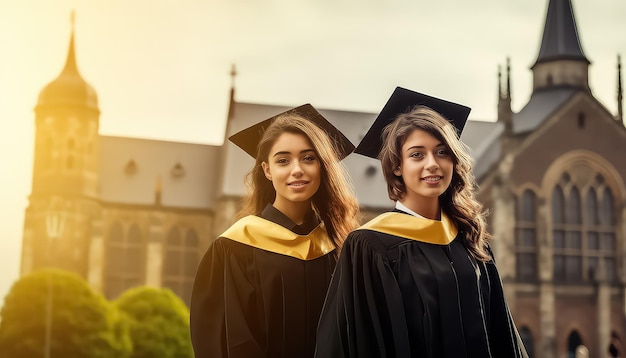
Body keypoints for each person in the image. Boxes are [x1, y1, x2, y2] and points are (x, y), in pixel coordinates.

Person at [315, 87, 527, 358]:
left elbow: (502, 335)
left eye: (442, 152)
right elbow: (357, 343)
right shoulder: (369, 246)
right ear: (396, 166)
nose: (433, 164)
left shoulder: (470, 240)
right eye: (417, 154)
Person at [190, 104, 361, 358]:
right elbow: (226, 340)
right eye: (283, 160)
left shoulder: (339, 247)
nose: (297, 169)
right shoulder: (235, 248)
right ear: (267, 170)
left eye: (308, 158)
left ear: (322, 167)